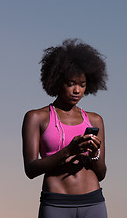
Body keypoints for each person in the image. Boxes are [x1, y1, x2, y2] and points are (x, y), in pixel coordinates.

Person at [22, 39, 108, 218]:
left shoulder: (95, 120)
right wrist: (69, 150)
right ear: (56, 80)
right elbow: (30, 169)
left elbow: (101, 174)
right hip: (56, 203)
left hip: (93, 202)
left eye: (82, 85)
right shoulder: (36, 117)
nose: (77, 90)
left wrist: (94, 154)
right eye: (71, 83)